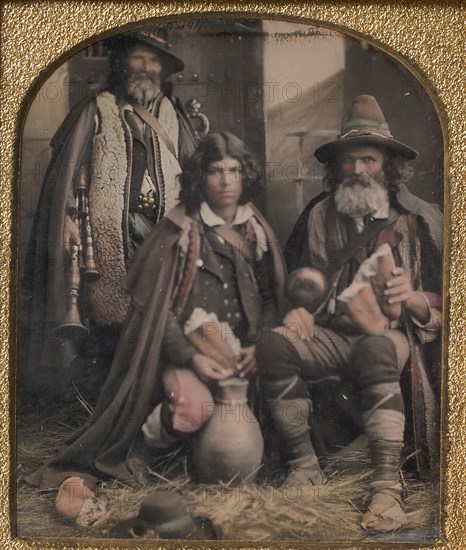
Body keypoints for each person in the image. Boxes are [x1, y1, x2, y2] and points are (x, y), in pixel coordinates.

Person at [26, 133, 286, 522]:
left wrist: (259, 345)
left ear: (245, 176)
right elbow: (157, 316)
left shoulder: (255, 229)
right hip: (182, 353)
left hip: (242, 352)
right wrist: (192, 359)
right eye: (216, 170)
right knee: (193, 409)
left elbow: (270, 298)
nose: (227, 180)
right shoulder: (179, 229)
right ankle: (141, 459)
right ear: (201, 177)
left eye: (234, 170)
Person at [257, 95, 442, 532]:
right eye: (350, 160)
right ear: (336, 166)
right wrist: (298, 313)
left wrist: (413, 298)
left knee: (377, 347)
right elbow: (296, 284)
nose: (359, 169)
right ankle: (303, 467)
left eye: (370, 159)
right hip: (330, 335)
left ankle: (385, 486)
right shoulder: (316, 215)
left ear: (387, 166)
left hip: (393, 338)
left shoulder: (417, 221)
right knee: (273, 345)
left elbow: (445, 302)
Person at [21, 29, 197, 394]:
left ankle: (151, 394)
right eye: (138, 58)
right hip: (104, 238)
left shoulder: (174, 115)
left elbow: (195, 173)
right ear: (120, 63)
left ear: (163, 70)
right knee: (109, 318)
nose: (146, 67)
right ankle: (107, 398)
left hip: (164, 232)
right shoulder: (95, 110)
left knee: (161, 312)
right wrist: (68, 217)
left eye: (154, 61)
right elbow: (66, 175)